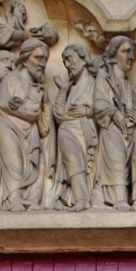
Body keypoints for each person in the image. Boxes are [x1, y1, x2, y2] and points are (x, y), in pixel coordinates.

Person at [0, 37, 53, 211]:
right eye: (38, 58)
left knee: (36, 162)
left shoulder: (40, 89)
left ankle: (32, 199)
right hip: (10, 126)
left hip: (32, 131)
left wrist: (45, 103)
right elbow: (3, 104)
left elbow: (45, 127)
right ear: (26, 58)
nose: (42, 63)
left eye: (45, 59)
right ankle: (14, 199)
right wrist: (24, 113)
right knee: (14, 161)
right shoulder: (12, 78)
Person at [94, 36, 136, 210]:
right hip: (111, 128)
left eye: (132, 52)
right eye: (125, 51)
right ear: (114, 55)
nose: (130, 56)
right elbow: (99, 103)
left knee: (133, 160)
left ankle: (135, 196)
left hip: (130, 132)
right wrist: (114, 114)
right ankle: (118, 198)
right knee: (117, 155)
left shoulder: (132, 88)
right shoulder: (104, 80)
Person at [53, 43, 97, 211]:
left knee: (79, 163)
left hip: (85, 132)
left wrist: (87, 110)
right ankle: (80, 197)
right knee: (72, 160)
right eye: (64, 62)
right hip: (68, 131)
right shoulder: (71, 88)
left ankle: (83, 198)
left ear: (83, 58)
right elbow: (59, 114)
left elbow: (104, 106)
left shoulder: (94, 83)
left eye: (69, 59)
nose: (67, 65)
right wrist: (63, 90)